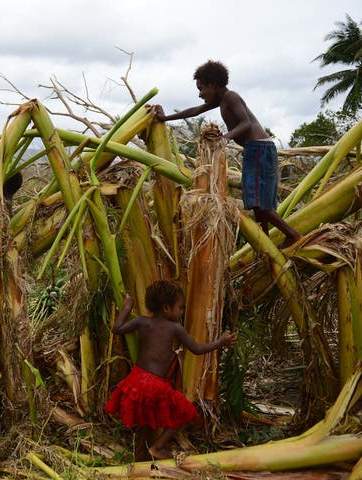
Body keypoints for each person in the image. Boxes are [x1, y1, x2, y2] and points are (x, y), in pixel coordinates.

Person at [154, 60, 302, 248]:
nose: (199, 94)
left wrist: (224, 139)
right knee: (256, 204)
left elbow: (245, 123)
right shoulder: (220, 99)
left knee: (259, 203)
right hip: (255, 150)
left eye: (201, 88)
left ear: (213, 85)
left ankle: (293, 235)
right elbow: (195, 111)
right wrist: (165, 118)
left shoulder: (231, 97)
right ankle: (265, 244)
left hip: (259, 149)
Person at [105, 281, 237, 461]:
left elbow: (117, 329)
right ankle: (158, 446)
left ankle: (140, 454)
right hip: (154, 383)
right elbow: (197, 349)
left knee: (146, 420)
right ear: (167, 308)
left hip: (136, 379)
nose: (181, 312)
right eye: (180, 308)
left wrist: (128, 307)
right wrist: (220, 342)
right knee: (186, 412)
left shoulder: (141, 321)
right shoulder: (175, 328)